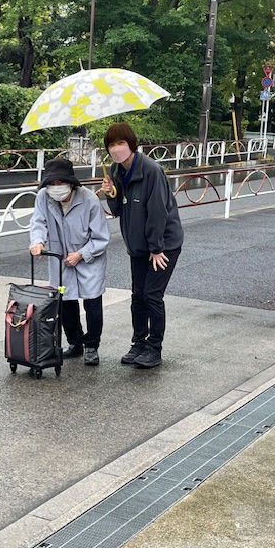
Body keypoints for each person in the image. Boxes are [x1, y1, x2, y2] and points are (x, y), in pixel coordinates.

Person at [102, 122, 184, 368]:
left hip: (163, 244)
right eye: (112, 144)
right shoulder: (116, 171)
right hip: (138, 244)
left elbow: (158, 212)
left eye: (121, 143)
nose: (116, 148)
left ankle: (154, 348)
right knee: (138, 295)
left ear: (132, 144)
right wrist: (111, 192)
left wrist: (156, 248)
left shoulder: (151, 170)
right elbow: (118, 210)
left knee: (152, 295)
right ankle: (138, 343)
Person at [30, 158, 110, 366]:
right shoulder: (44, 197)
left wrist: (81, 254)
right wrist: (38, 242)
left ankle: (91, 346)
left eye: (61, 182)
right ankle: (75, 343)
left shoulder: (89, 200)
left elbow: (101, 237)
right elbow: (38, 222)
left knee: (92, 303)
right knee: (65, 303)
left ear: (71, 183)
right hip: (60, 258)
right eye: (52, 183)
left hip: (88, 259)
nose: (56, 187)